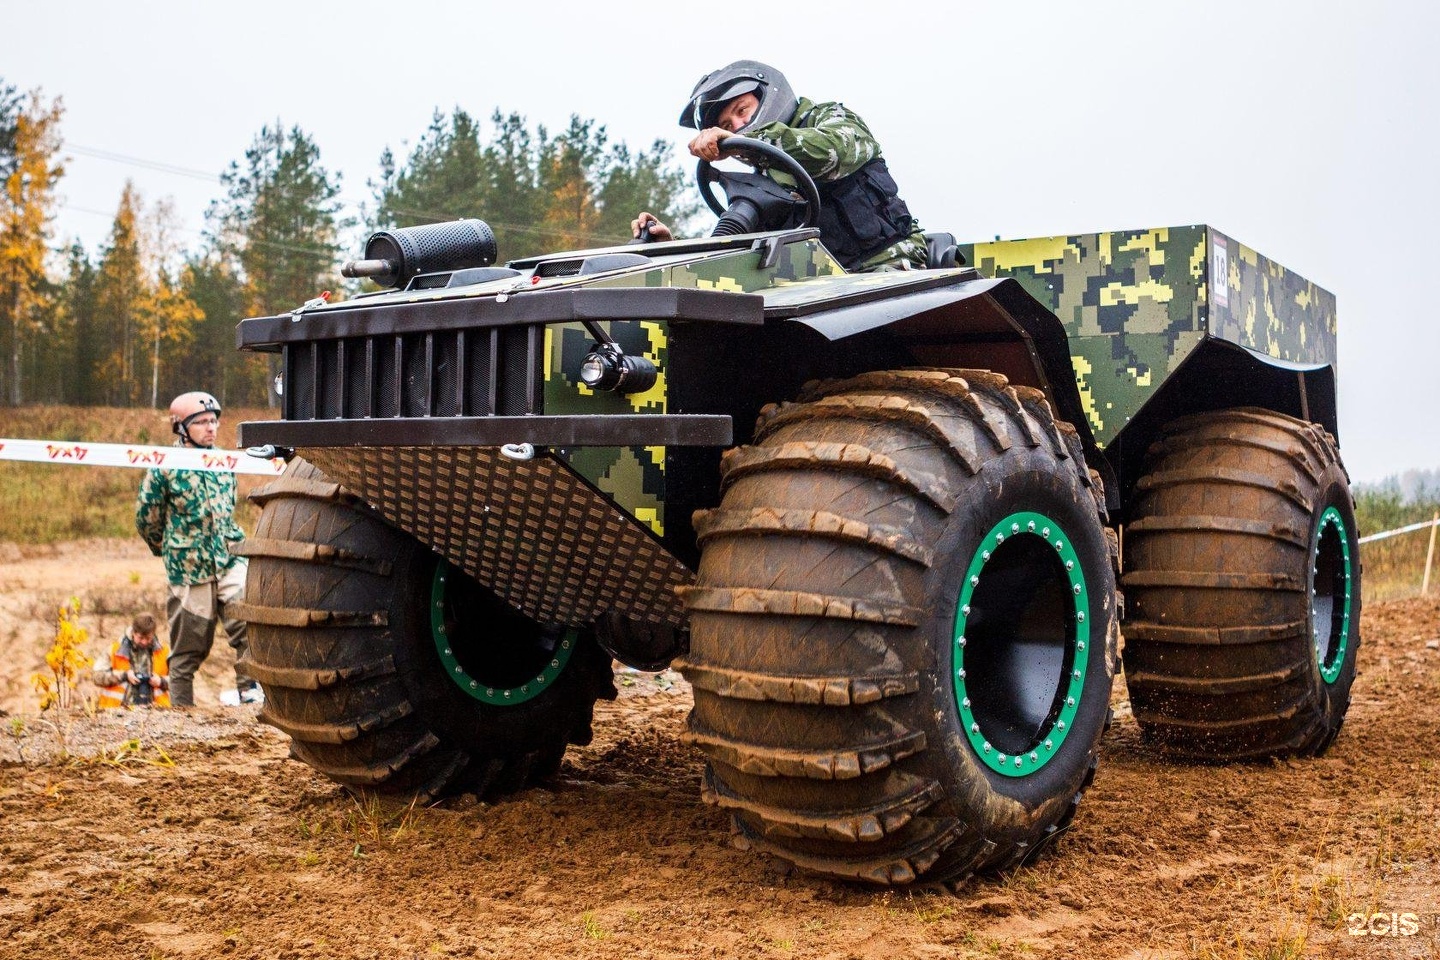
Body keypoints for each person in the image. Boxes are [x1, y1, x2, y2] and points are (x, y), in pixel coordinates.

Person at [632, 60, 928, 272]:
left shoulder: (831, 119)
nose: (738, 126)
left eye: (742, 110)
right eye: (726, 125)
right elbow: (740, 253)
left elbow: (833, 153)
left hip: (888, 266)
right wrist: (670, 245)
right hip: (822, 288)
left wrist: (747, 142)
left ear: (768, 95)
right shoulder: (762, 183)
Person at [135, 391, 259, 707]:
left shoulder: (223, 461)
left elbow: (229, 507)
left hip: (228, 558)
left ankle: (250, 697)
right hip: (189, 569)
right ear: (181, 427)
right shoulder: (164, 466)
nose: (211, 428)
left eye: (213, 421)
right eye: (202, 422)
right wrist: (171, 549)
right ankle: (182, 714)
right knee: (190, 647)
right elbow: (146, 517)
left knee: (251, 626)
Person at [93, 612, 171, 708]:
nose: (144, 641)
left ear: (153, 634)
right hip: (116, 713)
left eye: (148, 638)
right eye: (141, 637)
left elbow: (180, 681)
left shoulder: (165, 652)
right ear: (133, 632)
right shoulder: (114, 650)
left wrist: (161, 681)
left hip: (157, 714)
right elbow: (96, 677)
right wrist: (123, 676)